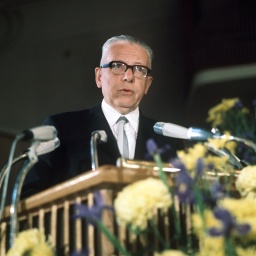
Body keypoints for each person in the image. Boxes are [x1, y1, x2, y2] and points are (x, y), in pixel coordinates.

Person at [21, 35, 183, 198]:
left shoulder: (168, 140)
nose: (129, 76)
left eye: (140, 69)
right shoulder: (62, 128)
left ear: (147, 84)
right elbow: (29, 194)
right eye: (117, 66)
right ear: (99, 77)